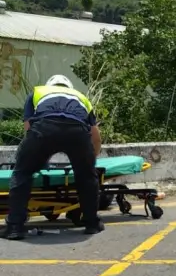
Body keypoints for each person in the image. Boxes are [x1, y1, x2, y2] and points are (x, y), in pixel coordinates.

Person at [4, 75, 104, 240]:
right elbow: (95, 137)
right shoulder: (81, 98)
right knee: (86, 177)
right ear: (69, 87)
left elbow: (29, 129)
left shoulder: (37, 93)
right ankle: (92, 224)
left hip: (44, 128)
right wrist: (89, 161)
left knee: (22, 173)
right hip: (77, 132)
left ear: (50, 85)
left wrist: (32, 159)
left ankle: (15, 227)